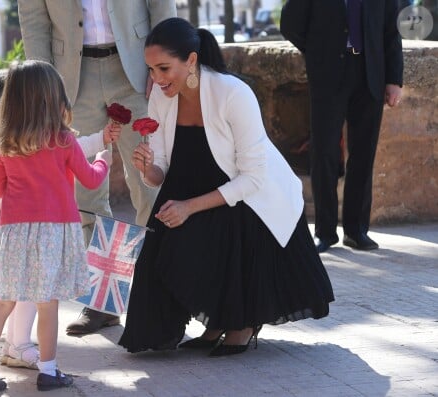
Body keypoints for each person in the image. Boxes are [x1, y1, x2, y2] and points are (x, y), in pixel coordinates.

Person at [118, 17, 334, 356]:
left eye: (163, 68)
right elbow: (161, 171)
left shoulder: (233, 93)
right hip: (189, 184)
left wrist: (189, 207)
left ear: (191, 60)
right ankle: (215, 320)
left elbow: (252, 178)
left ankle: (242, 321)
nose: (157, 80)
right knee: (159, 244)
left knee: (228, 223)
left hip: (249, 194)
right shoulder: (161, 97)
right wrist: (148, 169)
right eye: (151, 70)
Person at [17, 0, 177, 335]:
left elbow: (161, 4)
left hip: (134, 68)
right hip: (72, 79)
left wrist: (164, 62)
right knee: (85, 194)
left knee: (150, 184)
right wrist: (45, 84)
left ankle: (161, 293)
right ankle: (104, 302)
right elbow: (33, 20)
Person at [0, 71, 121, 371]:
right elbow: (90, 179)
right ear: (54, 103)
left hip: (14, 232)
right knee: (47, 305)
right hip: (54, 232)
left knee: (4, 303)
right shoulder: (63, 142)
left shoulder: (5, 144)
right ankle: (48, 372)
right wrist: (103, 162)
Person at [280, 0, 404, 253]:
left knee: (363, 154)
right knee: (323, 151)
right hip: (328, 74)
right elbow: (290, 23)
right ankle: (324, 232)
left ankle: (356, 230)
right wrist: (318, 52)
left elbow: (392, 30)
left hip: (370, 74)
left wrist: (394, 79)